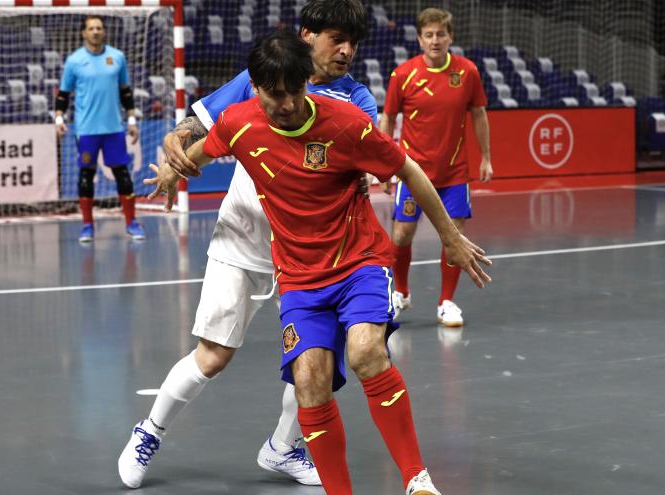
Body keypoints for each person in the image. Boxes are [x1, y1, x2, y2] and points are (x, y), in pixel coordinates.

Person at [146, 29, 491, 495]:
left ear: (307, 81)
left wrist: (450, 237)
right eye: (274, 95)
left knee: (367, 352)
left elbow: (408, 169)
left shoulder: (347, 123)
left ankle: (417, 478)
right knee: (310, 379)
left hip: (359, 261)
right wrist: (171, 170)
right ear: (257, 88)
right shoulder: (239, 123)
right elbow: (198, 153)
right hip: (300, 276)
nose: (284, 104)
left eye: (294, 92)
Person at [116, 0, 376, 489]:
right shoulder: (266, 76)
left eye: (353, 43)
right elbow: (201, 128)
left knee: (314, 362)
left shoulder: (357, 100)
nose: (346, 51)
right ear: (307, 36)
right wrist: (176, 145)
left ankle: (282, 447)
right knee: (212, 355)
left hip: (312, 252)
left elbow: (361, 163)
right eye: (336, 39)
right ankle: (149, 430)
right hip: (244, 237)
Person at [381, 7, 493, 327]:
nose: (435, 40)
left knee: (455, 236)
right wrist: (386, 167)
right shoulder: (402, 75)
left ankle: (446, 302)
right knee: (402, 234)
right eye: (428, 35)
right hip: (412, 172)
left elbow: (479, 114)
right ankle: (400, 292)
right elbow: (388, 119)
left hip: (454, 172)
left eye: (440, 34)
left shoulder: (467, 72)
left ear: (450, 37)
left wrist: (486, 156)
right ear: (419, 39)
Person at [55, 15, 144, 243]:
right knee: (86, 175)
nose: (95, 31)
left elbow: (126, 91)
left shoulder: (117, 57)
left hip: (114, 128)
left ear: (104, 31)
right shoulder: (74, 61)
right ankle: (87, 226)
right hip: (86, 130)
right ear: (83, 33)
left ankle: (132, 223)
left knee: (122, 175)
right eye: (91, 28)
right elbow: (63, 94)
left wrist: (132, 121)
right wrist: (59, 119)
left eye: (99, 28)